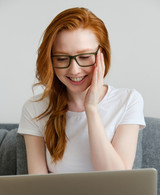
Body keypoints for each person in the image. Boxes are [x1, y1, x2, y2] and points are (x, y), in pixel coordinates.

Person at [16, 7, 145, 174]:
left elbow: (116, 178)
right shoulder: (34, 109)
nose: (74, 70)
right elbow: (38, 187)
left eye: (84, 57)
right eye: (62, 59)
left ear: (102, 55)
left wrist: (91, 109)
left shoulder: (129, 100)